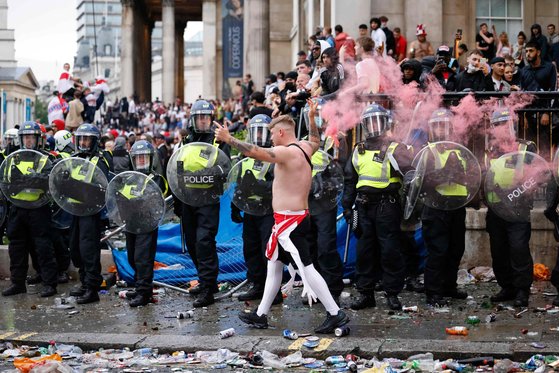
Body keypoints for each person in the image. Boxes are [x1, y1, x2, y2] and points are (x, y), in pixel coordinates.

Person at [214, 101, 349, 334]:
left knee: (307, 269)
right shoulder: (306, 147)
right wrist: (314, 116)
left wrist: (229, 139)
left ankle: (335, 313)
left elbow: (255, 151)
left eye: (272, 135)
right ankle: (261, 315)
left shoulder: (286, 152)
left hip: (291, 222)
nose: (271, 140)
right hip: (287, 220)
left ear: (280, 132)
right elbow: (316, 140)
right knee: (274, 266)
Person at [342, 104, 413, 311]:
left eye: (378, 121)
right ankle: (366, 294)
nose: (374, 126)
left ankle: (392, 294)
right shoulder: (358, 150)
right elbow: (349, 180)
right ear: (364, 125)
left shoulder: (395, 148)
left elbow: (411, 176)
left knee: (390, 250)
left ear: (385, 123)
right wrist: (347, 207)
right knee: (365, 251)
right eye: (370, 122)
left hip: (387, 205)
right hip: (363, 207)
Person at [175, 99, 230, 308]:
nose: (203, 122)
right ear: (193, 120)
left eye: (206, 118)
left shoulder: (217, 142)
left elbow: (224, 168)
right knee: (191, 242)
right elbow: (176, 169)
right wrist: (178, 196)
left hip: (208, 199)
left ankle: (207, 288)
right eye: (199, 118)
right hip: (188, 199)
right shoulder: (186, 142)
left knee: (204, 241)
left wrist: (206, 174)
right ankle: (206, 280)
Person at [484, 108, 537, 308]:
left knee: (518, 249)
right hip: (496, 209)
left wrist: (520, 190)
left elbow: (538, 175)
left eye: (505, 124)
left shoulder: (526, 148)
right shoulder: (490, 150)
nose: (501, 128)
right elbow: (485, 177)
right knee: (498, 251)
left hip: (518, 209)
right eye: (497, 125)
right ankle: (507, 287)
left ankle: (522, 290)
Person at [421, 108, 472, 307]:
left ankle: (449, 286)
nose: (440, 130)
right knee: (438, 251)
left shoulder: (460, 151)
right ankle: (433, 292)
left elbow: (471, 177)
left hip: (457, 205)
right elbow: (422, 181)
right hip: (436, 206)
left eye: (444, 126)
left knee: (455, 249)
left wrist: (460, 176)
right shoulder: (428, 151)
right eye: (437, 126)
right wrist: (443, 173)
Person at [1, 121, 58, 298]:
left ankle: (49, 284)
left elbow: (46, 182)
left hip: (38, 209)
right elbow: (7, 183)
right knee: (16, 248)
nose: (28, 141)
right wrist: (30, 180)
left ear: (37, 139)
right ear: (20, 139)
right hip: (17, 209)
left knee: (43, 248)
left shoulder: (45, 159)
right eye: (25, 137)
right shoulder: (12, 159)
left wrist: (26, 181)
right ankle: (18, 283)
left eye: (31, 137)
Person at [232, 115, 282, 306]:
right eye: (256, 131)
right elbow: (238, 183)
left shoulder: (274, 155)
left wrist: (261, 186)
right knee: (250, 249)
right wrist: (234, 206)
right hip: (250, 210)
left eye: (263, 131)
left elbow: (278, 183)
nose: (259, 135)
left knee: (267, 251)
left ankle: (273, 290)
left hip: (268, 209)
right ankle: (257, 285)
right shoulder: (245, 157)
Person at [302, 99, 345, 305]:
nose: (317, 119)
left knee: (326, 246)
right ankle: (316, 289)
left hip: (325, 203)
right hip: (305, 203)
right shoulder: (303, 141)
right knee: (309, 248)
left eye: (320, 114)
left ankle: (333, 288)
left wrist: (326, 183)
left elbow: (341, 170)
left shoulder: (335, 140)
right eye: (313, 115)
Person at [119, 140, 169, 307]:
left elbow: (156, 198)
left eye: (144, 157)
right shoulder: (128, 178)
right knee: (133, 257)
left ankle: (144, 292)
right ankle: (140, 286)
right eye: (137, 158)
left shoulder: (157, 179)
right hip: (131, 223)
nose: (140, 161)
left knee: (143, 258)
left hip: (147, 224)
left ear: (150, 159)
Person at [68, 123, 112, 304]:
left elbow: (101, 188)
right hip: (75, 210)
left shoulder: (100, 161)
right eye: (81, 139)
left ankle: (92, 288)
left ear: (95, 141)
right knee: (76, 248)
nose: (84, 143)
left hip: (91, 213)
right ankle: (85, 282)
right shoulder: (75, 159)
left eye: (87, 139)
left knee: (88, 250)